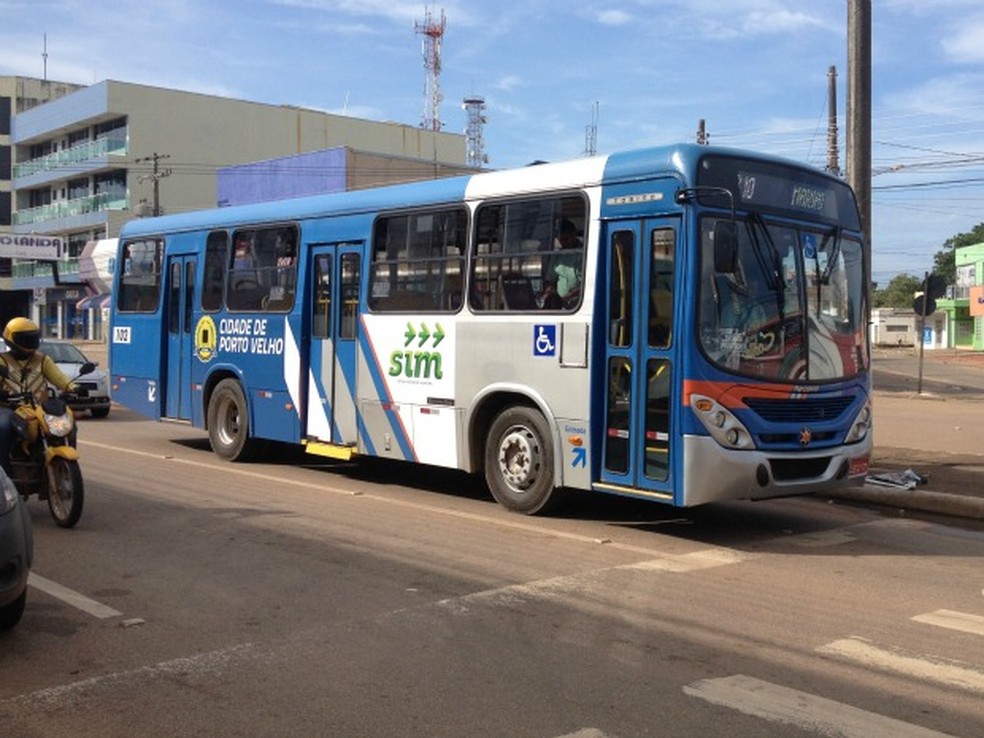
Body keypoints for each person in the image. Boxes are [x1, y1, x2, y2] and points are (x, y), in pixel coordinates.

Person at [0, 318, 77, 475]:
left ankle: (63, 464)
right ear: (11, 339)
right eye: (25, 338)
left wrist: (73, 388)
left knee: (69, 424)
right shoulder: (2, 361)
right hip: (10, 408)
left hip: (40, 408)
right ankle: (4, 472)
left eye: (32, 337)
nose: (30, 342)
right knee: (4, 428)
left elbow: (58, 378)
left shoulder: (42, 359)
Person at [540, 219, 583, 308]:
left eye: (566, 239)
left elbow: (592, 282)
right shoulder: (558, 255)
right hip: (562, 306)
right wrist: (549, 291)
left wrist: (572, 294)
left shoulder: (586, 251)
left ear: (574, 234)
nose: (563, 243)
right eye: (560, 240)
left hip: (582, 304)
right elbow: (550, 279)